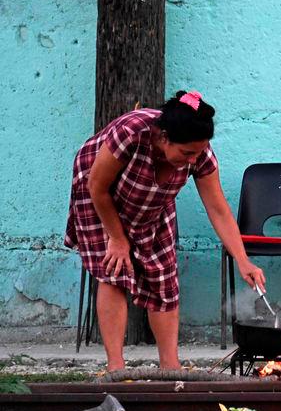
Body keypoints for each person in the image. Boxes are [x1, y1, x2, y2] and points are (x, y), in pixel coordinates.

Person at [65, 91, 266, 371]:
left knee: (164, 278)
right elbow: (97, 187)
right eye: (186, 153)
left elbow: (218, 209)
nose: (192, 159)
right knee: (114, 270)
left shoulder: (199, 154)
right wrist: (118, 239)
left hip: (152, 203)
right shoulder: (131, 134)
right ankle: (116, 368)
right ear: (163, 138)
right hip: (99, 194)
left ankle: (170, 369)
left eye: (197, 152)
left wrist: (243, 261)